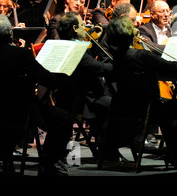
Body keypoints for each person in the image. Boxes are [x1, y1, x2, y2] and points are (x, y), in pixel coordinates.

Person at [104, 15, 177, 169]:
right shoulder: (142, 55)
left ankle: (175, 154)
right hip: (148, 110)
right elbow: (172, 67)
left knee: (170, 114)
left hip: (124, 108)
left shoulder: (117, 57)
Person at [0, 14, 72, 176]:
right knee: (63, 119)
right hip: (20, 112)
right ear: (9, 34)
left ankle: (6, 160)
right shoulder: (21, 55)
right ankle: (47, 165)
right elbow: (48, 79)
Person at [55, 12, 117, 160]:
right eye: (83, 25)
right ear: (75, 28)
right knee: (120, 106)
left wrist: (94, 39)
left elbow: (89, 62)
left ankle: (106, 148)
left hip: (73, 97)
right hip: (85, 99)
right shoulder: (75, 49)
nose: (86, 28)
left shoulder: (65, 46)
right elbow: (97, 67)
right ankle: (109, 149)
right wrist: (120, 65)